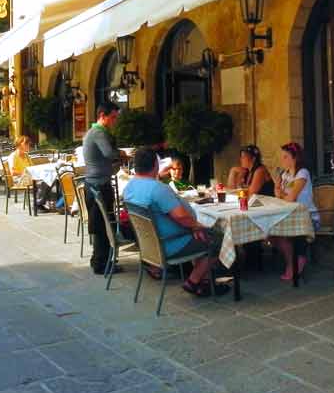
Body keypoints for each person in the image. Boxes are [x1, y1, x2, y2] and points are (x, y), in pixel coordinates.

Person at [124, 147, 227, 297]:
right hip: (172, 243)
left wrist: (193, 227)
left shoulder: (130, 187)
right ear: (155, 165)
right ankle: (194, 281)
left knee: (204, 234)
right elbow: (181, 217)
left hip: (150, 246)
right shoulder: (157, 189)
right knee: (218, 238)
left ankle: (205, 283)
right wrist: (196, 226)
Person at [83, 102, 126, 274]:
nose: (115, 121)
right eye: (113, 117)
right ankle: (102, 265)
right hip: (98, 185)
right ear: (102, 115)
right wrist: (121, 154)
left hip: (95, 183)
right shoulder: (99, 132)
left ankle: (99, 260)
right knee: (103, 226)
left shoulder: (94, 132)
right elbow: (109, 153)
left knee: (102, 225)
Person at [271, 142, 319, 281]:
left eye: (285, 157)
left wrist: (281, 194)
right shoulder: (286, 174)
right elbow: (278, 195)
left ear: (295, 158)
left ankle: (296, 262)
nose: (282, 160)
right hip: (289, 215)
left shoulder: (302, 173)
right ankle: (292, 259)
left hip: (307, 217)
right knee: (270, 232)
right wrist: (277, 184)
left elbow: (291, 198)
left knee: (280, 232)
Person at [7, 135, 56, 211]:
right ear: (19, 145)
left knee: (51, 179)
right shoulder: (13, 156)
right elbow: (12, 172)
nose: (28, 145)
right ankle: (37, 204)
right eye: (26, 143)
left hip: (29, 177)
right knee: (44, 182)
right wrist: (25, 173)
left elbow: (33, 168)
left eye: (28, 143)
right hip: (19, 180)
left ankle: (42, 203)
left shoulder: (26, 156)